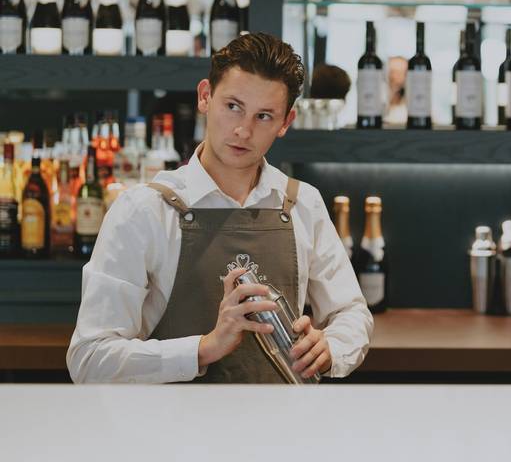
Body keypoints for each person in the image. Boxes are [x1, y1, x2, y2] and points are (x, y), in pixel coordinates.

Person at [67, 33, 373, 383]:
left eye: (264, 116)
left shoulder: (304, 203)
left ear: (286, 122)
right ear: (205, 97)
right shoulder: (143, 210)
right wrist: (204, 348)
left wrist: (331, 347)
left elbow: (352, 313)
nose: (243, 130)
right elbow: (89, 359)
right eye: (233, 106)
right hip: (171, 432)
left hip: (283, 430)